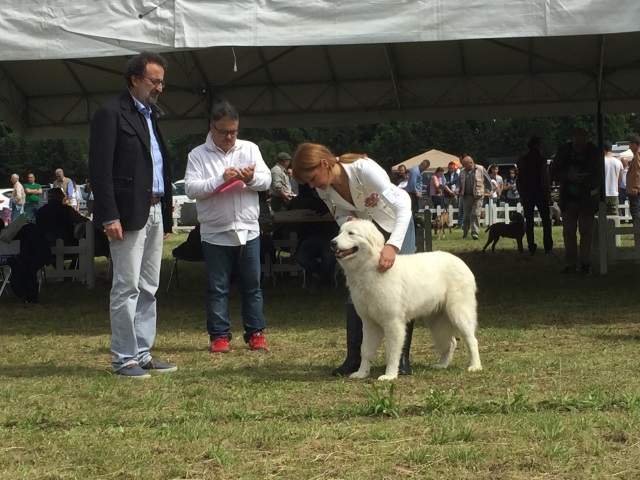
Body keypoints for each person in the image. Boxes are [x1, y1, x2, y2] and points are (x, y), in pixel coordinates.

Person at [291, 142, 416, 376]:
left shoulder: (363, 169)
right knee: (357, 290)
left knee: (400, 291)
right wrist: (347, 222)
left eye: (312, 178)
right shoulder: (324, 188)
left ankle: (400, 360)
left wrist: (392, 245)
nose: (312, 185)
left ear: (324, 164)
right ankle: (355, 358)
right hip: (363, 235)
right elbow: (339, 213)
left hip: (395, 226)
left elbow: (403, 205)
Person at [89, 51, 176, 378]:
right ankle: (124, 358)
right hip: (126, 213)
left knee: (149, 286)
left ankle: (142, 352)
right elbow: (100, 170)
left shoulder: (152, 116)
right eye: (154, 81)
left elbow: (159, 168)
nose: (159, 88)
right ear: (135, 79)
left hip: (154, 209)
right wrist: (109, 215)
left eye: (162, 82)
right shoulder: (111, 113)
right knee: (127, 287)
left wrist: (165, 214)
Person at [185, 99, 272, 354]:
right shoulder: (198, 155)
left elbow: (266, 180)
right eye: (224, 132)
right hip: (215, 231)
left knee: (252, 286)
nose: (230, 137)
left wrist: (251, 178)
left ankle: (256, 333)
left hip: (248, 228)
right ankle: (219, 336)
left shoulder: (250, 148)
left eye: (234, 131)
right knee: (217, 288)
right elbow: (191, 189)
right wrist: (219, 180)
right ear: (211, 128)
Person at [550, 128, 603, 275]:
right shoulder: (563, 152)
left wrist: (585, 180)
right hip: (568, 200)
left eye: (582, 145)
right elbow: (553, 172)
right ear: (572, 140)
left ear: (587, 141)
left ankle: (585, 264)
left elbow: (599, 176)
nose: (579, 148)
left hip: (587, 201)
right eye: (576, 145)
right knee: (568, 233)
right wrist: (568, 176)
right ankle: (570, 264)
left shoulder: (594, 153)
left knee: (586, 233)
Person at [516, 136, 553, 254]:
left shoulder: (522, 160)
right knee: (546, 221)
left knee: (529, 221)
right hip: (540, 192)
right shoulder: (542, 160)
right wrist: (548, 195)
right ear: (537, 145)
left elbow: (519, 179)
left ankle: (531, 245)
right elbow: (545, 179)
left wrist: (521, 193)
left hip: (527, 193)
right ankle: (548, 246)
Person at [458, 155, 492, 240]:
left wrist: (490, 190)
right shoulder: (462, 171)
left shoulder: (481, 169)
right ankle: (465, 232)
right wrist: (457, 189)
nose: (464, 167)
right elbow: (459, 183)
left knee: (475, 214)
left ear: (471, 163)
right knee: (466, 216)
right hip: (466, 196)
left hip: (478, 196)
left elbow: (488, 180)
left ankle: (475, 233)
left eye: (465, 165)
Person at [603, 141, 623, 216]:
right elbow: (620, 178)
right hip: (614, 192)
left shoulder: (601, 161)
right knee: (614, 216)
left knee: (601, 215)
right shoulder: (618, 162)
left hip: (603, 193)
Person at [626, 135, 640, 225]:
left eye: (630, 145)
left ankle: (637, 229)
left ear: (634, 144)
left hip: (636, 190)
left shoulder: (638, 154)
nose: (629, 147)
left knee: (635, 210)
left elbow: (638, 171)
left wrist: (636, 186)